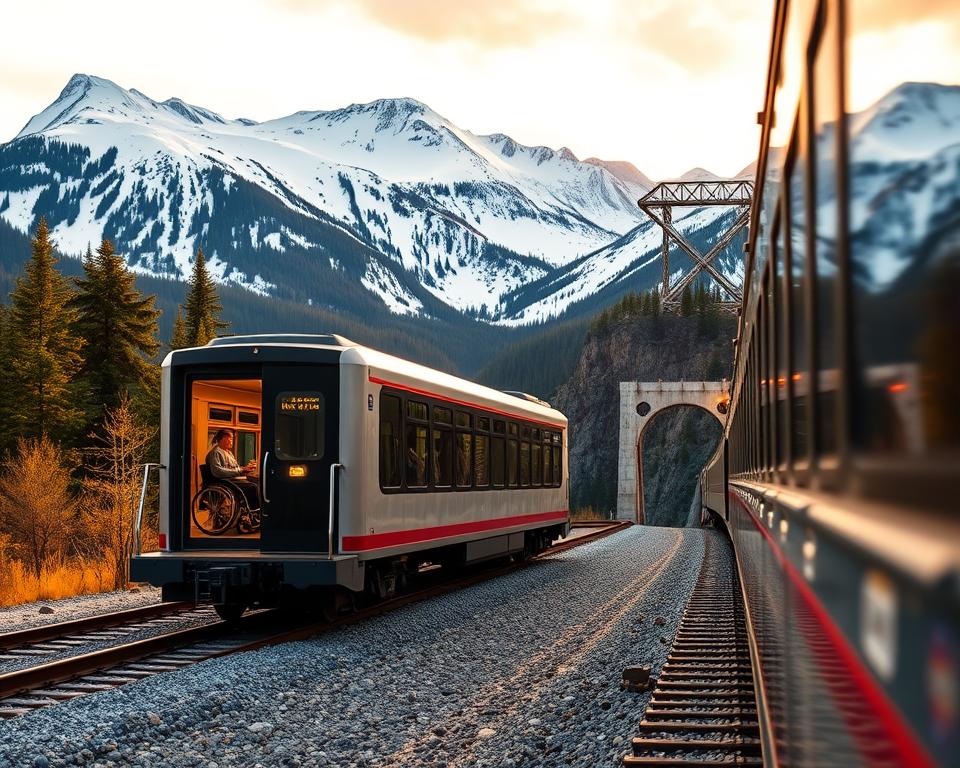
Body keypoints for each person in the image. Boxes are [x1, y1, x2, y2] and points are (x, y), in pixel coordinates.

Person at [206, 429, 260, 510]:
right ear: (223, 438)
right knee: (253, 487)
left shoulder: (228, 452)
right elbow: (217, 471)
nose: (232, 441)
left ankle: (252, 509)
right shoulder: (216, 452)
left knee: (257, 482)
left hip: (231, 479)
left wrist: (244, 468)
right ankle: (253, 511)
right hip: (224, 481)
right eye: (230, 438)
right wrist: (240, 470)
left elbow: (233, 467)